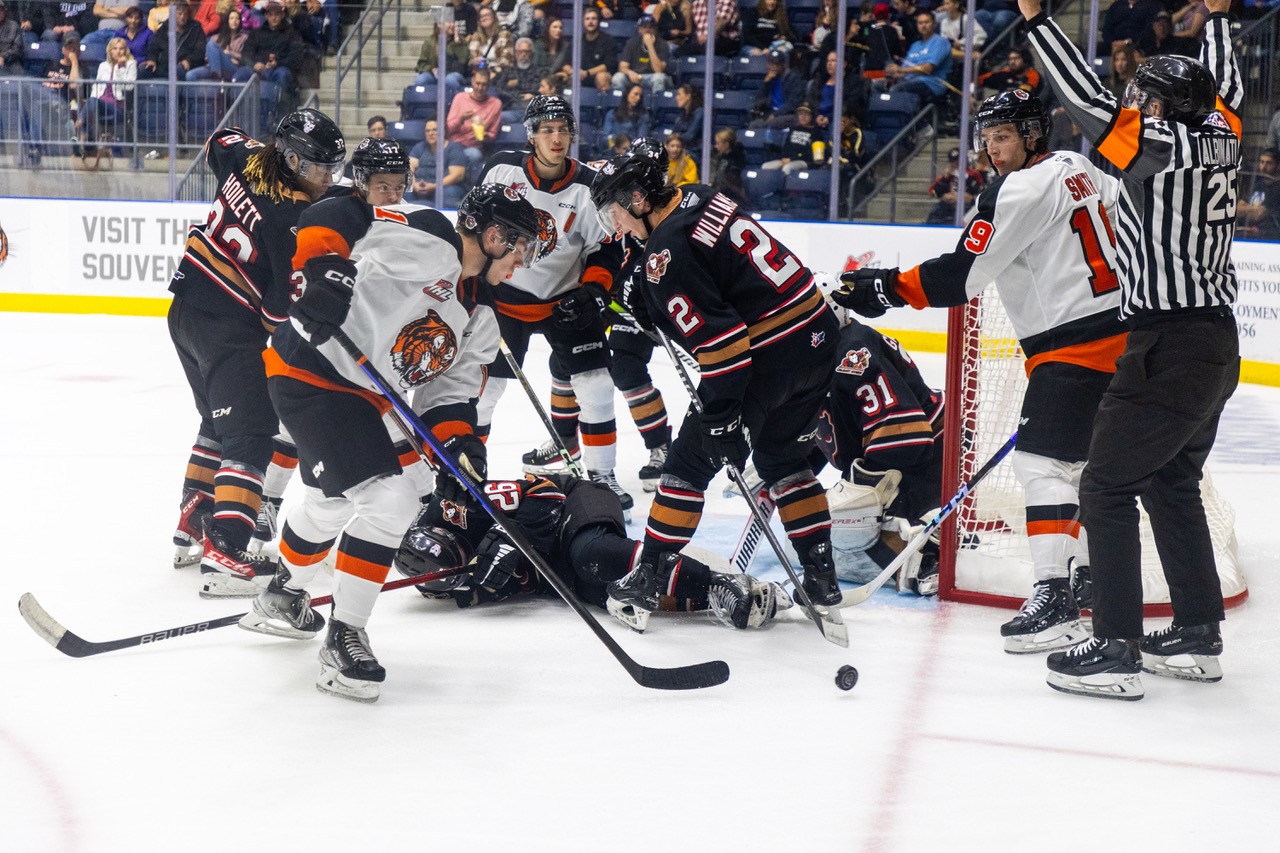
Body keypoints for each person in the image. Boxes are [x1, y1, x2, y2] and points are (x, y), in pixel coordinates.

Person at [834, 88, 1125, 653]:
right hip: (1125, 337)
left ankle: (1055, 598)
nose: (992, 149)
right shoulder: (1086, 169)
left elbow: (961, 276)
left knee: (1041, 466)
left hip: (1074, 347)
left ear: (1033, 136)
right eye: (987, 138)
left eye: (1004, 136)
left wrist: (885, 285)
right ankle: (1086, 574)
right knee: (1080, 470)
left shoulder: (1014, 190)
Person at [244, 170, 544, 703]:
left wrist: (460, 447)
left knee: (332, 499)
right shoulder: (428, 235)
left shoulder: (480, 319)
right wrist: (327, 272)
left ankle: (282, 592)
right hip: (310, 368)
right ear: (494, 236)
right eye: (519, 247)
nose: (522, 261)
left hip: (362, 395)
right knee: (390, 500)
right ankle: (344, 637)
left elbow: (446, 397)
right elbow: (334, 214)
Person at [1018, 0, 1243, 699]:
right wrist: (1218, 19)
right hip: (1214, 342)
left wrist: (1036, 23)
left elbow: (1087, 103)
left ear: (1169, 111)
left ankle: (1115, 643)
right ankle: (1199, 633)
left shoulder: (1162, 149)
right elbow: (1229, 89)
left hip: (1167, 344)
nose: (1132, 102)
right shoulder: (1222, 133)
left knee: (1105, 485)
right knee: (1169, 481)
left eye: (1145, 98)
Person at [591, 148, 845, 623]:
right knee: (784, 459)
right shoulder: (698, 196)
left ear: (639, 197)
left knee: (687, 464)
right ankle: (821, 578)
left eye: (615, 210)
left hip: (763, 359)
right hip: (817, 342)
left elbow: (723, 343)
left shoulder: (665, 252)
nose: (615, 225)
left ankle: (646, 580)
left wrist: (723, 413)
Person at [167, 109, 345, 595]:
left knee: (218, 421)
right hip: (226, 325)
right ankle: (226, 551)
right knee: (251, 432)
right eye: (321, 168)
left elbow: (218, 142)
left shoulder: (247, 156)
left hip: (183, 313)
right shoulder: (290, 218)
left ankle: (196, 516)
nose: (329, 179)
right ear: (290, 159)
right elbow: (275, 315)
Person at [477, 95, 632, 508]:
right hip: (504, 299)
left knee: (596, 387)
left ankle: (603, 478)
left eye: (564, 129)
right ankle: (471, 472)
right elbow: (473, 225)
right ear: (532, 136)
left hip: (566, 299)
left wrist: (594, 292)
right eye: (547, 130)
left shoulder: (588, 186)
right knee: (486, 390)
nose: (557, 137)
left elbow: (606, 250)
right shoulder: (501, 168)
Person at [81, 35, 135, 164]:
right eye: (115, 48)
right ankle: (88, 131)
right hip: (100, 105)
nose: (118, 51)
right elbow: (97, 87)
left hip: (117, 107)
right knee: (93, 100)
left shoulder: (130, 64)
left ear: (125, 50)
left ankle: (83, 129)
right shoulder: (103, 65)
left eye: (121, 48)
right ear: (110, 51)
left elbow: (128, 86)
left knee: (92, 105)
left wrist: (121, 67)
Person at [879, 10, 952, 103]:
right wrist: (893, 76)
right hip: (909, 80)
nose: (923, 25)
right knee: (877, 86)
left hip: (931, 83)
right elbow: (905, 70)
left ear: (934, 24)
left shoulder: (940, 42)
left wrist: (900, 69)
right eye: (920, 23)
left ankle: (898, 117)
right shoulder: (915, 45)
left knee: (896, 89)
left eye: (926, 22)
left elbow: (928, 69)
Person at [446, 66, 502, 169]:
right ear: (472, 82)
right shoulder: (460, 98)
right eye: (478, 83)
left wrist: (484, 135)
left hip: (473, 147)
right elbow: (448, 129)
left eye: (484, 85)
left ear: (489, 85)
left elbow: (493, 135)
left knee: (474, 155)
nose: (480, 88)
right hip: (455, 144)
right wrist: (461, 119)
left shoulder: (495, 104)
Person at [139, 0, 206, 80]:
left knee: (180, 69)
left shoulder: (196, 29)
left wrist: (189, 60)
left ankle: (178, 90)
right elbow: (154, 47)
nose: (182, 17)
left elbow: (200, 51)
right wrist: (152, 59)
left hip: (183, 66)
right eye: (179, 14)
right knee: (142, 69)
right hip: (164, 67)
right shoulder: (164, 28)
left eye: (185, 14)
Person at [408, 117, 467, 206]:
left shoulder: (454, 148)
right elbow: (409, 167)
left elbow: (457, 175)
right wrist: (414, 184)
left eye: (434, 130)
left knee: (450, 193)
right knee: (406, 191)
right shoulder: (420, 147)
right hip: (420, 187)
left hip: (444, 187)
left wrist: (434, 186)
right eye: (427, 131)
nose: (430, 133)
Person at [924, 146, 986, 224]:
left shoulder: (973, 174)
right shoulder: (946, 175)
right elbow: (933, 191)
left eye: (957, 162)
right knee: (936, 211)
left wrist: (970, 197)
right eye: (952, 162)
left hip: (966, 205)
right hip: (948, 205)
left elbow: (981, 192)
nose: (955, 165)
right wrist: (945, 193)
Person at [612, 14, 671, 93]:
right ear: (639, 30)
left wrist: (650, 45)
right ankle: (621, 104)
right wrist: (630, 73)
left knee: (659, 78)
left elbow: (659, 70)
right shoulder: (632, 42)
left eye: (650, 27)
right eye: (644, 27)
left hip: (652, 76)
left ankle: (656, 104)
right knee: (618, 77)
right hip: (634, 76)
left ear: (655, 29)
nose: (647, 30)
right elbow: (622, 66)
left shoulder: (662, 44)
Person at [187, 7, 248, 81]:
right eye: (231, 18)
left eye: (237, 18)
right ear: (227, 21)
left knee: (211, 45)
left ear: (240, 21)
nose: (234, 21)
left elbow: (245, 57)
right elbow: (207, 56)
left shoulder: (244, 38)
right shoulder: (216, 37)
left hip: (232, 67)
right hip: (213, 65)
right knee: (190, 75)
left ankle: (216, 77)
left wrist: (230, 53)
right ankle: (216, 74)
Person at [413, 19, 469, 98]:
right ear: (439, 24)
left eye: (453, 22)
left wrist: (457, 43)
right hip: (434, 75)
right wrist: (431, 69)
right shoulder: (430, 41)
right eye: (449, 22)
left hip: (454, 74)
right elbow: (421, 64)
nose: (452, 25)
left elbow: (464, 60)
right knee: (421, 79)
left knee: (450, 80)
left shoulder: (460, 41)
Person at [761, 102, 820, 174]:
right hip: (788, 160)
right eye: (801, 114)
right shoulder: (794, 129)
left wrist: (792, 159)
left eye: (806, 114)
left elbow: (812, 154)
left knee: (787, 168)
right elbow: (786, 146)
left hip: (804, 162)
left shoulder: (816, 133)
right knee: (765, 166)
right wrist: (784, 158)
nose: (803, 117)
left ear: (812, 116)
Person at [1237, 147, 1279, 240]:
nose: (1263, 167)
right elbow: (1237, 207)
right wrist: (1252, 209)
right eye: (1262, 162)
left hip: (1270, 236)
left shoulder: (1277, 188)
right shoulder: (1258, 185)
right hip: (1250, 231)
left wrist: (1247, 209)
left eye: (1269, 163)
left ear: (1278, 166)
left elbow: (1258, 214)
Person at [468, 5, 515, 76]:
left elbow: (507, 61)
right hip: (480, 74)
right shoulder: (476, 37)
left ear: (494, 18)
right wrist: (474, 62)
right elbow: (471, 59)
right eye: (481, 16)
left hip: (499, 74)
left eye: (487, 15)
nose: (484, 18)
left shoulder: (505, 35)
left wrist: (493, 71)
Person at [603, 82, 651, 148]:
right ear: (627, 94)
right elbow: (606, 137)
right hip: (614, 149)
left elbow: (642, 139)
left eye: (640, 96)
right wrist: (616, 144)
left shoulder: (643, 116)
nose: (638, 98)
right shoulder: (612, 113)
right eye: (636, 94)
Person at [669, 83, 703, 150]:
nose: (676, 97)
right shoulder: (682, 114)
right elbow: (673, 134)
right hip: (681, 149)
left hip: (694, 151)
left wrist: (676, 136)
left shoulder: (700, 113)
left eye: (679, 94)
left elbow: (690, 136)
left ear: (688, 96)